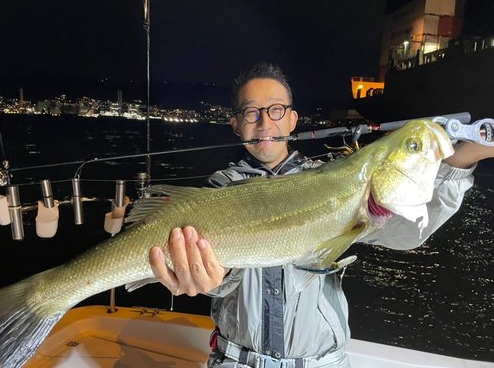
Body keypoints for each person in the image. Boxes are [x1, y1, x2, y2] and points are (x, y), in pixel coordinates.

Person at [149, 63, 494, 367]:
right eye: (251, 112)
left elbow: (405, 234)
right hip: (236, 361)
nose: (265, 121)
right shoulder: (219, 189)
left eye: (276, 110)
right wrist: (204, 278)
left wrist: (466, 155)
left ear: (293, 119)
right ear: (237, 124)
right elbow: (218, 277)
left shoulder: (337, 181)